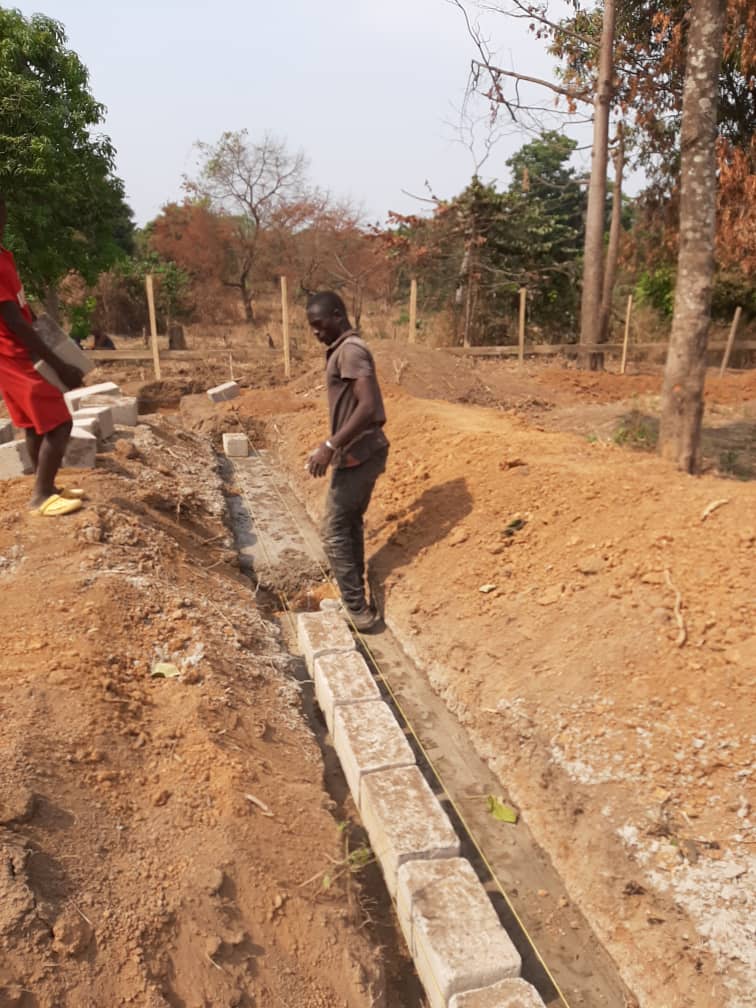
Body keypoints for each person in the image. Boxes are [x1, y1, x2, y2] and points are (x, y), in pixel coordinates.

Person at [305, 291, 389, 631]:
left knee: (334, 530)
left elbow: (367, 406)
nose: (315, 332)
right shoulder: (343, 350)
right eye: (311, 326)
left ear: (337, 316)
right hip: (356, 452)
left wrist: (330, 445)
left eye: (319, 323)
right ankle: (359, 603)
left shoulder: (351, 351)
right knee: (350, 524)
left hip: (360, 452)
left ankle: (356, 609)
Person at [0, 194, 84, 516]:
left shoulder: (4, 255)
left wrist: (47, 331)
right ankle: (41, 495)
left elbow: (21, 306)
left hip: (15, 350)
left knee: (35, 423)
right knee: (60, 423)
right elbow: (13, 320)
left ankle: (45, 485)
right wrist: (59, 365)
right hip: (14, 352)